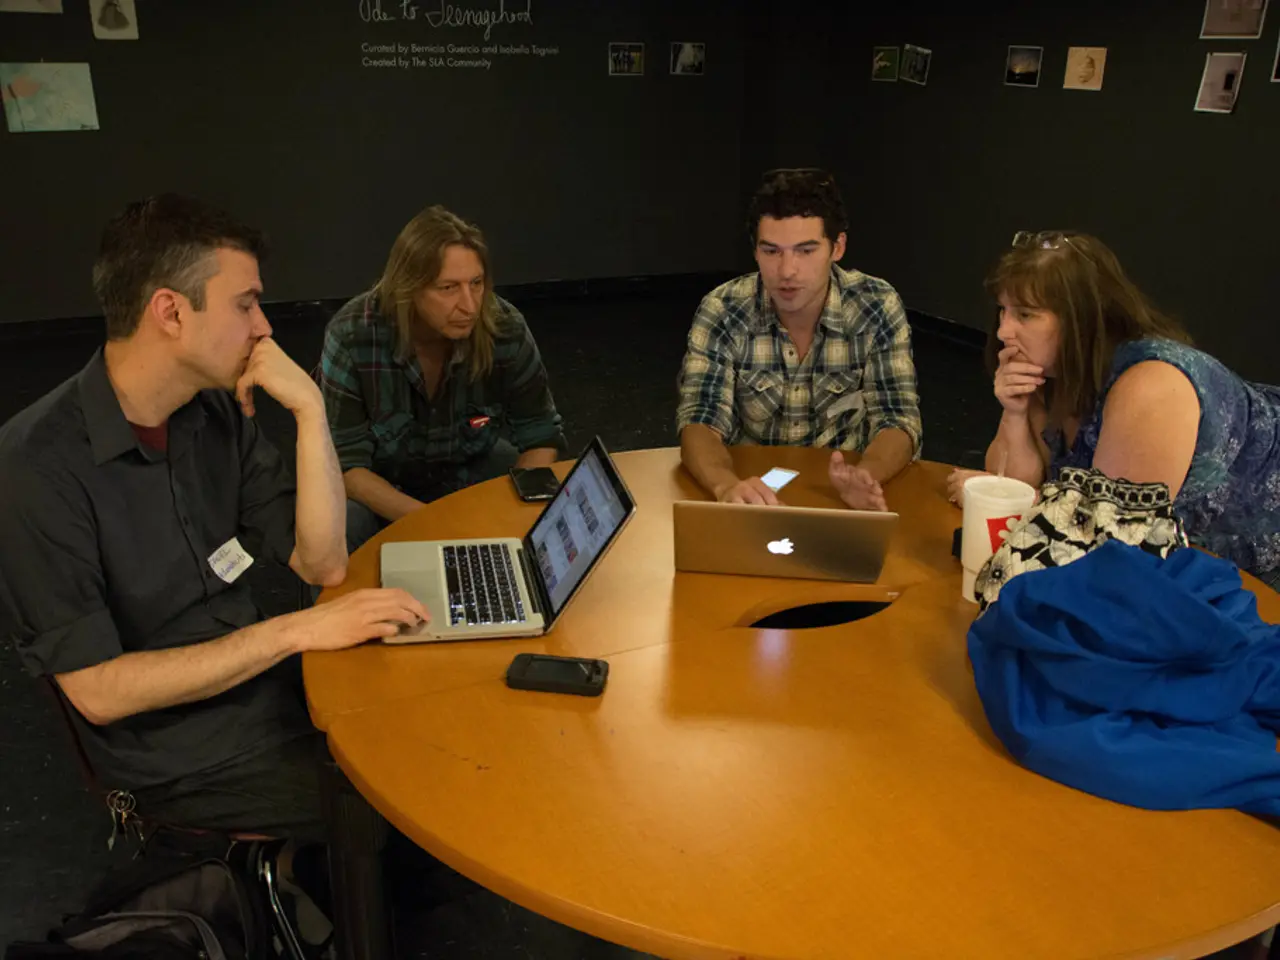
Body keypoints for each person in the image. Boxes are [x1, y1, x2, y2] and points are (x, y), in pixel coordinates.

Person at [0, 195, 429, 843]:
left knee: (428, 729)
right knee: (405, 805)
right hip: (181, 758)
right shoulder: (35, 467)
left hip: (264, 690)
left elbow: (322, 562)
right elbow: (98, 691)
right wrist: (296, 630)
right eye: (245, 303)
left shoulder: (215, 413)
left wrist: (311, 411)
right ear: (170, 311)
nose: (264, 327)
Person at [948, 230, 1280, 586]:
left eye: (1026, 315)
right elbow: (1015, 482)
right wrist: (1014, 413)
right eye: (1003, 311)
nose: (1004, 331)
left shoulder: (1151, 386)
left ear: (1085, 319)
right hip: (1178, 571)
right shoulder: (1054, 372)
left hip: (1254, 574)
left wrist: (1022, 501)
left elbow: (1109, 539)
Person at [676, 167, 923, 511]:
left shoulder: (876, 305)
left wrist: (864, 477)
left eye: (806, 251)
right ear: (755, 251)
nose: (787, 271)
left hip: (840, 494)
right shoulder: (723, 308)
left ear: (838, 247)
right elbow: (700, 418)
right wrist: (725, 487)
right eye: (772, 251)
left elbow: (897, 418)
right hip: (750, 490)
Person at [321, 205, 566, 550]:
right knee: (336, 523)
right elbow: (346, 466)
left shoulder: (504, 326)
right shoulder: (353, 335)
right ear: (409, 289)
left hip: (469, 467)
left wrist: (515, 511)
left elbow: (540, 431)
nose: (469, 305)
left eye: (477, 284)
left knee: (550, 503)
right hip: (381, 487)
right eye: (448, 288)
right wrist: (437, 524)